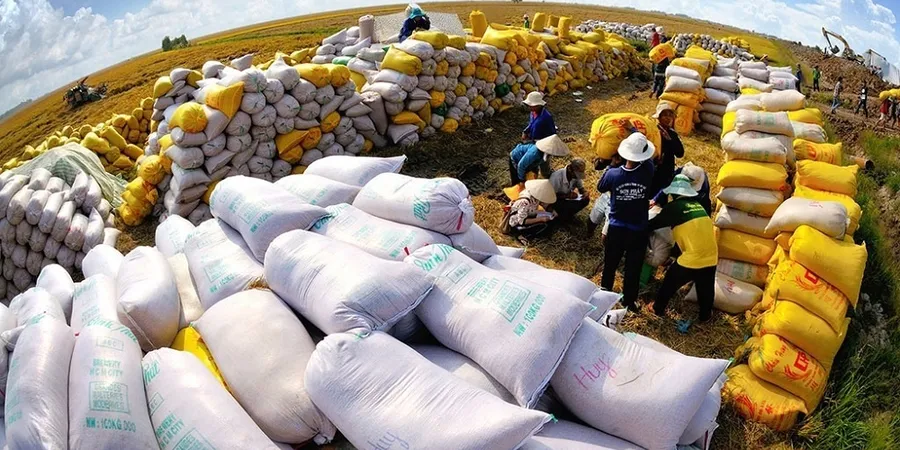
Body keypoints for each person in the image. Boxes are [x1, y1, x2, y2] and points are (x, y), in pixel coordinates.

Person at [597, 132, 656, 311]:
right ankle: (629, 301)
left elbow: (600, 187)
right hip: (638, 229)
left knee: (611, 263)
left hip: (617, 227)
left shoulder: (613, 175)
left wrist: (613, 164)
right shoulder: (647, 171)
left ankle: (605, 292)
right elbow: (649, 159)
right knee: (633, 267)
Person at [648, 175, 718, 322]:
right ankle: (705, 316)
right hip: (712, 256)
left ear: (674, 193)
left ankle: (657, 308)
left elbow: (652, 224)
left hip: (693, 258)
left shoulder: (675, 207)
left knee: (670, 281)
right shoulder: (699, 206)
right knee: (705, 289)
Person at [650, 104, 685, 197]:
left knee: (662, 199)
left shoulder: (672, 134)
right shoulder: (653, 132)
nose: (668, 118)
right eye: (665, 115)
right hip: (653, 172)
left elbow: (680, 153)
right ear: (659, 117)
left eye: (670, 115)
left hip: (666, 172)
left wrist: (670, 140)